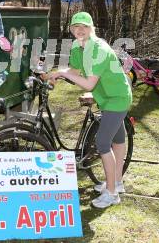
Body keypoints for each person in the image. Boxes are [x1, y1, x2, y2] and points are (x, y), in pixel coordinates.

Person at [47, 12, 132, 209]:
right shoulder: (78, 46)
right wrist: (56, 73)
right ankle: (117, 183)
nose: (80, 30)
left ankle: (111, 194)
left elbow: (88, 83)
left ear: (92, 29)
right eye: (76, 26)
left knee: (103, 143)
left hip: (117, 98)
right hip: (105, 97)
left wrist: (60, 73)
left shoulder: (99, 49)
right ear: (71, 30)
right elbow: (75, 71)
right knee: (118, 140)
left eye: (84, 26)